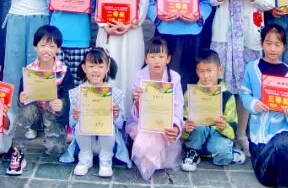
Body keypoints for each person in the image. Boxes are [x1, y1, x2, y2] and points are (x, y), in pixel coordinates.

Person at [209, 0, 275, 151]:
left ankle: (242, 134)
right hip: (224, 33)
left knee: (246, 84)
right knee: (221, 81)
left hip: (249, 33)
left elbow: (270, 2)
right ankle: (221, 131)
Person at [239, 24, 288, 188]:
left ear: (284, 47)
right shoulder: (252, 68)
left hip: (281, 132)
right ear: (262, 44)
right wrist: (254, 104)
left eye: (277, 44)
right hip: (258, 136)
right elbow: (244, 93)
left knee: (282, 143)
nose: (272, 49)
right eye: (268, 43)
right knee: (267, 178)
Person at [1, 0, 53, 109]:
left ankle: (35, 112)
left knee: (36, 60)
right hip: (17, 16)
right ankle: (12, 110)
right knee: (13, 60)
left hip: (39, 17)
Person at [11, 25, 73, 172]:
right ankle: (17, 151)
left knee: (55, 151)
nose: (47, 50)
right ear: (35, 47)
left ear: (58, 48)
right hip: (34, 110)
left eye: (52, 46)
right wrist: (21, 98)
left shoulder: (64, 71)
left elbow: (69, 95)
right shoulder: (29, 70)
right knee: (26, 111)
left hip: (52, 112)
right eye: (43, 45)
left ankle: (51, 138)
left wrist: (62, 103)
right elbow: (21, 97)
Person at [64, 47, 130, 177]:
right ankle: (85, 159)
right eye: (91, 66)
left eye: (100, 66)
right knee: (81, 124)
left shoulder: (114, 93)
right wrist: (75, 116)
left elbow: (120, 124)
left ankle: (105, 160)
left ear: (107, 68)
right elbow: (71, 124)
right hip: (85, 141)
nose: (96, 70)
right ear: (84, 68)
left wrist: (116, 115)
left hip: (106, 142)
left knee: (109, 125)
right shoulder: (78, 92)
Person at [127, 37, 184, 180]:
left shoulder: (174, 78)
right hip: (144, 121)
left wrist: (176, 127)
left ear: (168, 59)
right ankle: (147, 163)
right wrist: (136, 100)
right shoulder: (139, 76)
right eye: (152, 57)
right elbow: (136, 114)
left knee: (162, 134)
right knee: (145, 135)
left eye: (161, 56)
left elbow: (178, 106)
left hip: (166, 121)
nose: (156, 61)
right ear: (146, 59)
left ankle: (151, 161)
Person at [181, 49, 244, 171]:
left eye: (209, 71)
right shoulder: (191, 94)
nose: (206, 76)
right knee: (199, 126)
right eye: (202, 71)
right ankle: (192, 153)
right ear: (197, 72)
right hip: (196, 137)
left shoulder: (227, 96)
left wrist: (224, 126)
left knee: (223, 153)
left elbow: (233, 124)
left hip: (216, 138)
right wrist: (186, 127)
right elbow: (183, 118)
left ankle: (229, 153)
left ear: (219, 70)